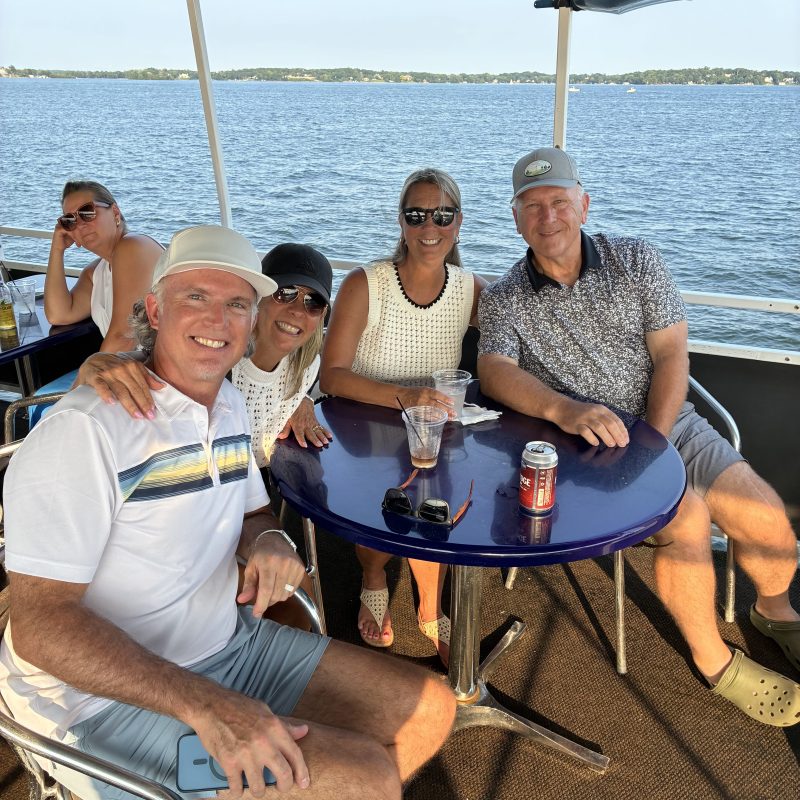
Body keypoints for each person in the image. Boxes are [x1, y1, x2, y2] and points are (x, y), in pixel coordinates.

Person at [0, 225, 456, 800]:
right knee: (362, 775)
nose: (218, 320)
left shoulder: (231, 404)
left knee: (429, 710)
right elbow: (42, 627)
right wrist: (205, 704)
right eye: (196, 297)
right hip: (96, 703)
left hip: (228, 645)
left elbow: (253, 515)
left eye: (237, 304)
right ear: (154, 310)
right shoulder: (88, 429)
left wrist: (272, 542)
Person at [477, 146, 800, 726]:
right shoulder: (504, 297)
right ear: (516, 216)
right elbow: (495, 371)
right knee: (688, 521)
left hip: (667, 421)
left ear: (583, 205)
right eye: (531, 205)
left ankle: (773, 612)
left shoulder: (637, 261)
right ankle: (714, 661)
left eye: (558, 201)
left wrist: (653, 436)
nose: (546, 215)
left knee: (766, 517)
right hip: (587, 449)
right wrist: (563, 409)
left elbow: (673, 351)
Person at [319, 167, 486, 665]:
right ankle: (374, 575)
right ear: (401, 222)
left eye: (442, 214)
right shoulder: (364, 284)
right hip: (364, 424)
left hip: (433, 425)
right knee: (389, 503)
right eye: (417, 214)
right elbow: (332, 377)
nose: (429, 226)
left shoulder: (470, 288)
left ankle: (430, 603)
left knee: (436, 502)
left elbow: (517, 334)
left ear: (458, 223)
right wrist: (405, 396)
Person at [77, 242, 335, 466]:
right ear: (258, 301)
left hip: (255, 477)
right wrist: (100, 362)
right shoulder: (219, 355)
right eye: (285, 293)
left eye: (314, 302)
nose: (298, 311)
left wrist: (303, 399)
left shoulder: (307, 366)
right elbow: (162, 365)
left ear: (322, 315)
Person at [44, 180, 164, 354]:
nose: (81, 224)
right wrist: (57, 249)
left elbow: (124, 337)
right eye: (69, 220)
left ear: (115, 212)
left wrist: (88, 377)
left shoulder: (135, 246)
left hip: (166, 374)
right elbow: (59, 314)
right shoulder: (95, 273)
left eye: (87, 211)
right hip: (131, 369)